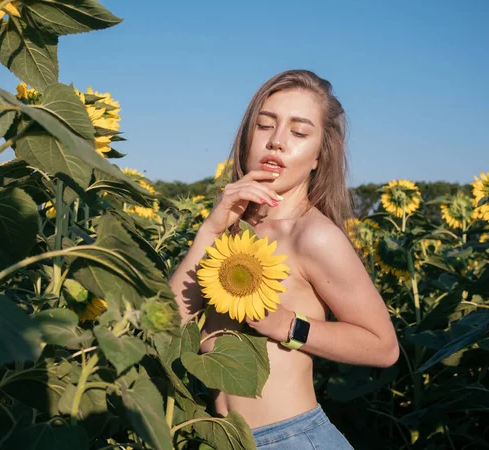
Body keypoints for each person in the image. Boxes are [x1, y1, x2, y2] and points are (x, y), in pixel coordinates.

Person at [168, 70, 399, 449]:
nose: (276, 142)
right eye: (264, 125)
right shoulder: (230, 227)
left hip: (290, 438)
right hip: (226, 440)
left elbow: (383, 347)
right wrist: (210, 230)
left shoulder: (315, 236)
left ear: (318, 156)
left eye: (299, 132)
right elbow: (170, 328)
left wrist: (286, 324)